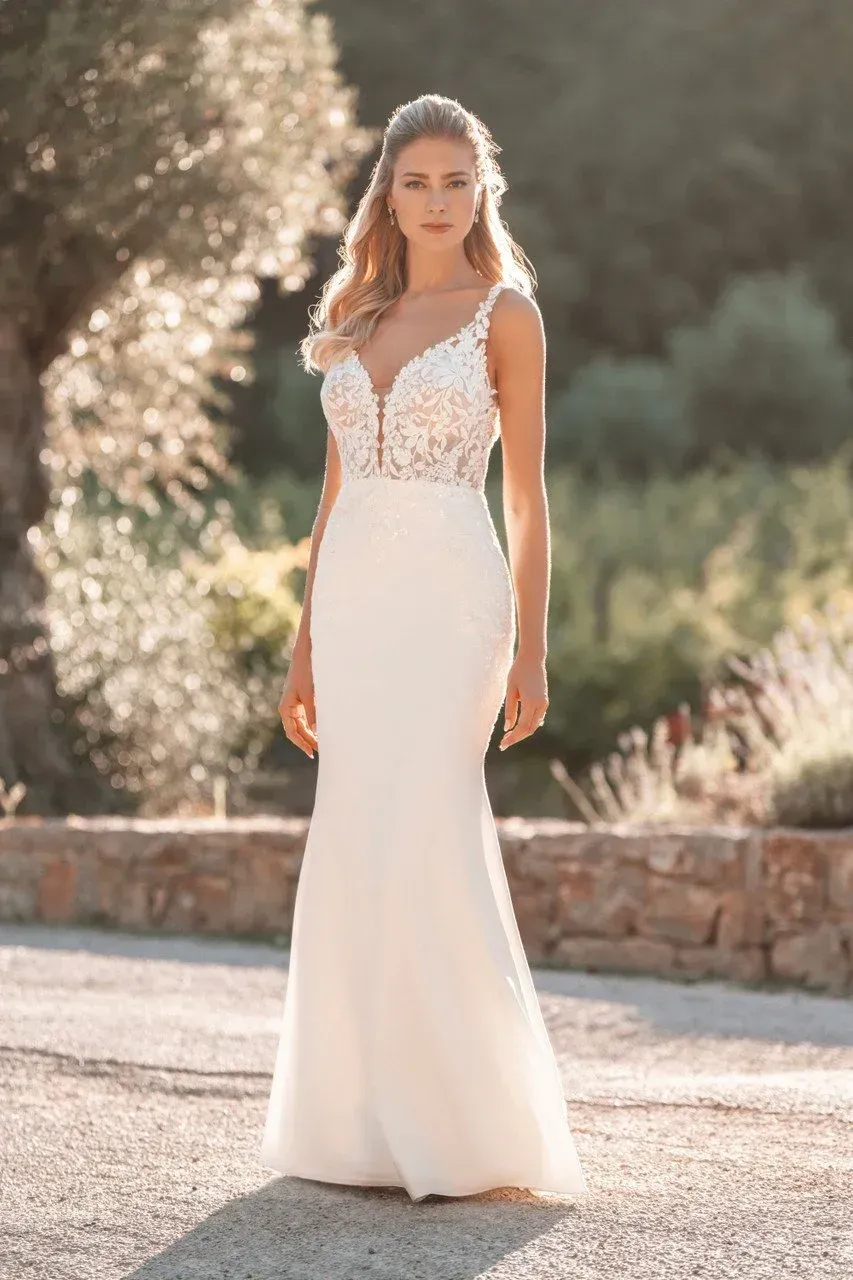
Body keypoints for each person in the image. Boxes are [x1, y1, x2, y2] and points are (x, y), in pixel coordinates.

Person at [260, 93, 588, 1203]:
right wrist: (302, 648)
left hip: (452, 598)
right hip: (354, 605)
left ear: (480, 192)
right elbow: (330, 499)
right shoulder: (357, 317)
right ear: (388, 198)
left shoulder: (506, 315)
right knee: (358, 832)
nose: (438, 201)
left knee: (428, 824)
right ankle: (357, 1124)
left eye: (456, 181)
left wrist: (531, 651)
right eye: (417, 183)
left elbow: (528, 500)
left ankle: (467, 1127)